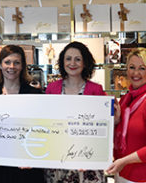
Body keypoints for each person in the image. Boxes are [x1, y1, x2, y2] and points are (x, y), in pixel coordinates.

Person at [0, 45, 45, 183]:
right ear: (0, 65)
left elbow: (40, 131)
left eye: (17, 63)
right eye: (7, 62)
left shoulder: (34, 94)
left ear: (22, 66)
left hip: (25, 165)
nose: (11, 66)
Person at [106, 48, 146, 183]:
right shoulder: (126, 99)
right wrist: (117, 121)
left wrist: (125, 161)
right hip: (123, 174)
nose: (136, 73)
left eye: (142, 68)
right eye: (132, 67)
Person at [45, 41, 107, 183]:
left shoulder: (96, 90)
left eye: (78, 59)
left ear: (85, 63)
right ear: (62, 62)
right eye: (68, 59)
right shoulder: (52, 89)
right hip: (57, 158)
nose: (72, 63)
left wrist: (114, 119)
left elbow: (103, 125)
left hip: (87, 159)